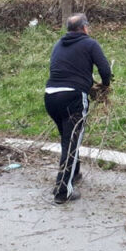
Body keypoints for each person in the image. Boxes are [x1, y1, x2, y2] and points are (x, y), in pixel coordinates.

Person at [45, 13, 111, 204]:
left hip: (50, 96)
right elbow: (104, 69)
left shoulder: (58, 44)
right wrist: (105, 86)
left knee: (68, 139)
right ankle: (62, 191)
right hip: (73, 98)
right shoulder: (90, 43)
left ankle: (74, 173)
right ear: (84, 28)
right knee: (71, 143)